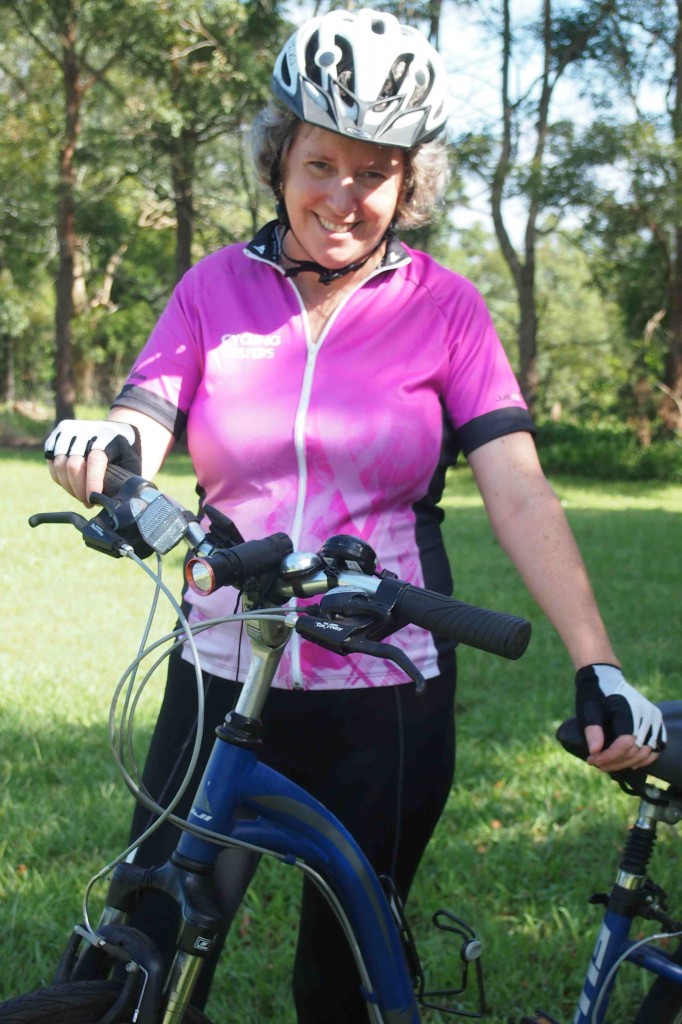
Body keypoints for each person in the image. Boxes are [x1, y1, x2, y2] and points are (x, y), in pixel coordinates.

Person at [44, 8, 665, 1022]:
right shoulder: (214, 288)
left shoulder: (449, 308)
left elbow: (516, 485)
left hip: (387, 680)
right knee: (141, 946)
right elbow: (139, 423)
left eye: (373, 172)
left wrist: (595, 657)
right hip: (219, 667)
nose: (342, 195)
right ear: (278, 156)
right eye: (320, 161)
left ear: (406, 184)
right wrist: (100, 450)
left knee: (339, 982)